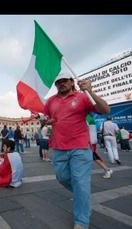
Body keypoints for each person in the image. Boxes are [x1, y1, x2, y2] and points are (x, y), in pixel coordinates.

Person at [43, 74, 110, 229]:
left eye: (64, 81)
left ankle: (81, 221)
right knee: (62, 178)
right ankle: (83, 197)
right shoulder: (51, 101)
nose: (61, 84)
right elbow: (48, 117)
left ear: (72, 82)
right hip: (59, 147)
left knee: (80, 183)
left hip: (80, 147)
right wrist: (47, 121)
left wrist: (91, 92)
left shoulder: (82, 96)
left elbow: (105, 109)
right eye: (58, 82)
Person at [87, 114, 113, 179]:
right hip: (91, 140)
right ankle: (107, 169)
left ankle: (107, 169)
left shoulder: (86, 117)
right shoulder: (89, 117)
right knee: (93, 156)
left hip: (89, 141)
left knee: (93, 156)